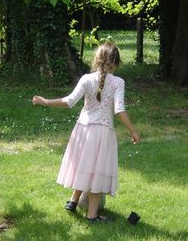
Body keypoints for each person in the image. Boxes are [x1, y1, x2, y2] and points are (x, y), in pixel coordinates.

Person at [32, 42, 140, 223]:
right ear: (116, 62)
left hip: (82, 130)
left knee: (85, 166)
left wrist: (46, 101)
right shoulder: (118, 82)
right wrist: (134, 131)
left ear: (97, 60)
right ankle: (92, 215)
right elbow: (119, 110)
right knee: (97, 171)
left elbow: (69, 101)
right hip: (102, 132)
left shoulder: (86, 78)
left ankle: (73, 202)